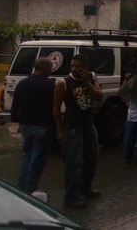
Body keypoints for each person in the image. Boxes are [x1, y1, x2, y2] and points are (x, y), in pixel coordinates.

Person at [53, 54, 104, 209]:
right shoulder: (63, 82)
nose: (74, 69)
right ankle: (71, 197)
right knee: (74, 163)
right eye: (72, 66)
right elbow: (56, 108)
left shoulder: (92, 77)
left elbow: (99, 97)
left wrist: (87, 82)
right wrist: (59, 130)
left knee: (92, 158)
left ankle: (85, 188)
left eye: (78, 66)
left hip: (88, 124)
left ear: (85, 67)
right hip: (72, 126)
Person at [11, 57, 55, 196]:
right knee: (38, 157)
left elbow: (16, 104)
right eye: (50, 67)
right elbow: (54, 106)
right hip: (42, 126)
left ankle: (20, 185)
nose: (51, 70)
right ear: (43, 68)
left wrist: (18, 121)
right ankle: (30, 188)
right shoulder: (49, 85)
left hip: (26, 125)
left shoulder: (23, 83)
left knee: (27, 155)